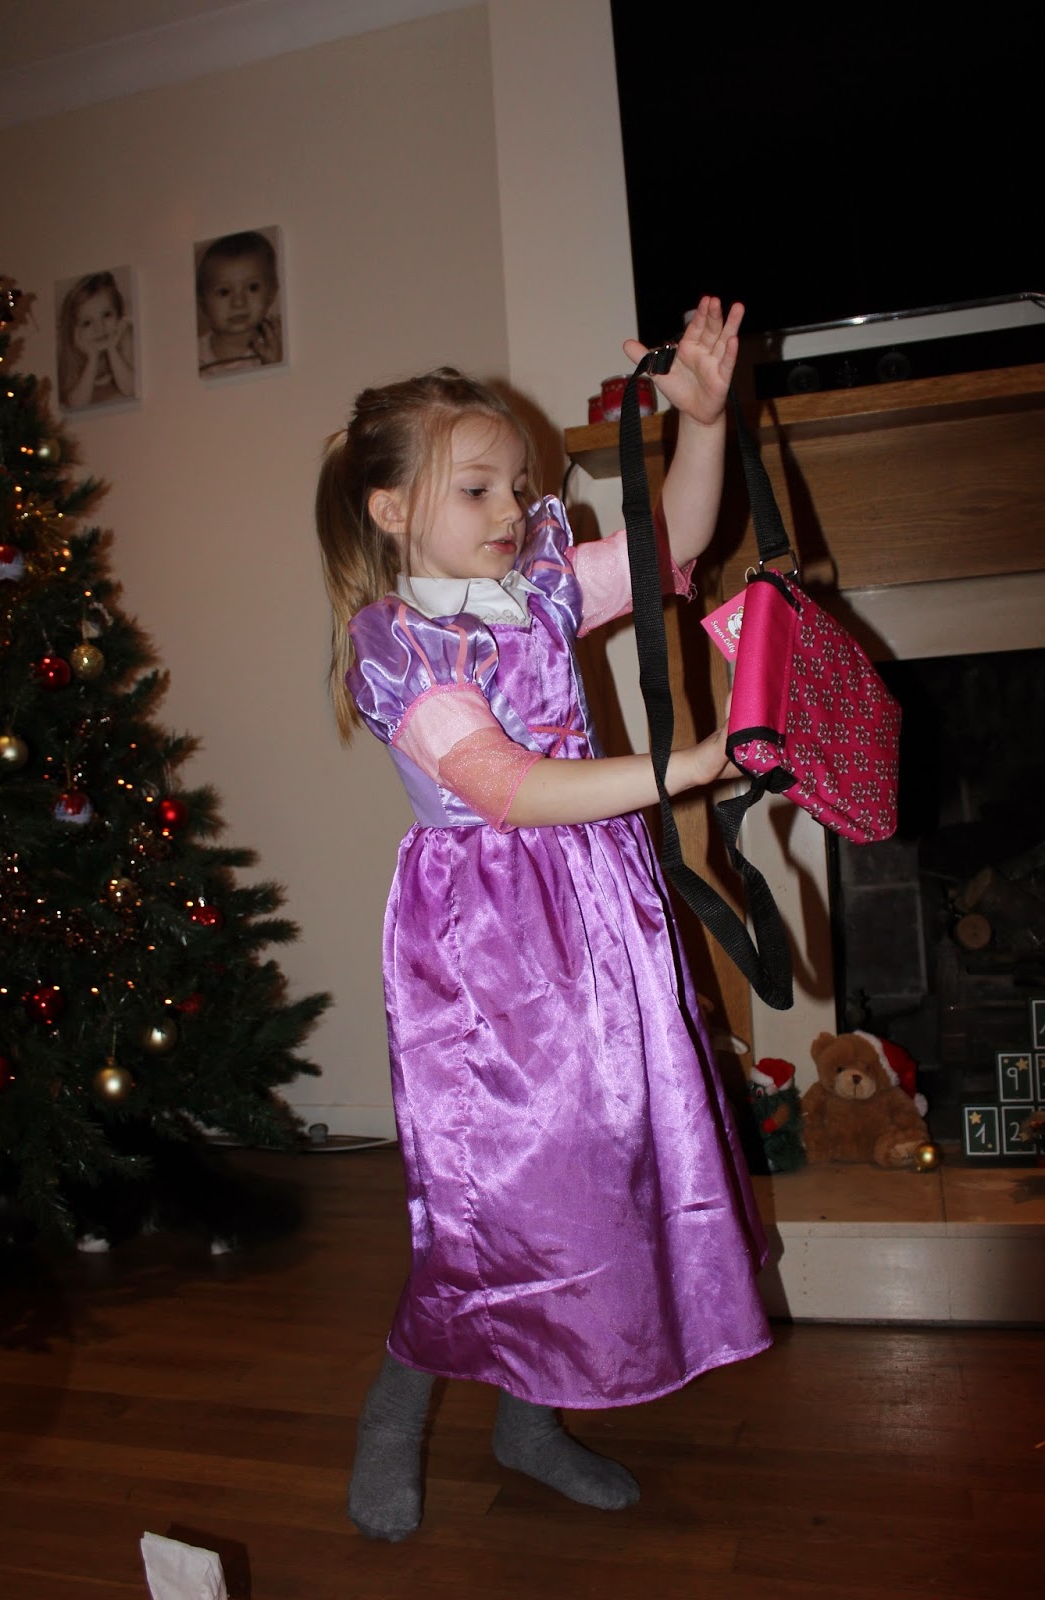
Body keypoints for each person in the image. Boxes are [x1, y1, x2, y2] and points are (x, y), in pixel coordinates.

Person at [315, 295, 772, 1543]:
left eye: (517, 486)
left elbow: (674, 540)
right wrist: (684, 767)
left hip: (596, 920)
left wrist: (703, 420)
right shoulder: (401, 651)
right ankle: (396, 1409)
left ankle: (529, 1421)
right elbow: (506, 788)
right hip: (487, 956)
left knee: (596, 1175)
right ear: (391, 508)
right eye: (477, 489)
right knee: (493, 1201)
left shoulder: (541, 585)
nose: (512, 508)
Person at [195, 230, 283, 377]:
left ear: (272, 292)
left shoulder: (279, 345)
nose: (238, 303)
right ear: (202, 303)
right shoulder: (193, 355)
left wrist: (276, 365)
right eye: (224, 292)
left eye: (252, 287)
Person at [57, 271, 136, 409]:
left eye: (106, 315)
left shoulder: (125, 335)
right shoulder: (71, 351)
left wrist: (112, 349)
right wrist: (92, 358)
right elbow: (77, 404)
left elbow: (131, 389)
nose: (99, 328)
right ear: (74, 331)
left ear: (119, 315)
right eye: (87, 323)